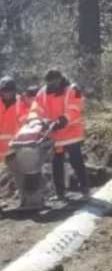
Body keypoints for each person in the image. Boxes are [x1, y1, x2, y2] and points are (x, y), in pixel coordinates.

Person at [33, 69, 89, 200]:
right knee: (56, 163)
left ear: (59, 79)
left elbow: (75, 109)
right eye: (49, 82)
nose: (51, 85)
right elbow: (36, 109)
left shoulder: (71, 90)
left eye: (54, 82)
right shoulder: (42, 92)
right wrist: (42, 120)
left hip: (71, 134)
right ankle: (60, 193)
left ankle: (85, 190)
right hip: (55, 135)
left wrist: (63, 119)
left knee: (76, 161)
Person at [0, 75, 21, 160]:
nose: (7, 93)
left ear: (14, 91)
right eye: (5, 91)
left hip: (15, 149)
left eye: (10, 90)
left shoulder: (21, 103)